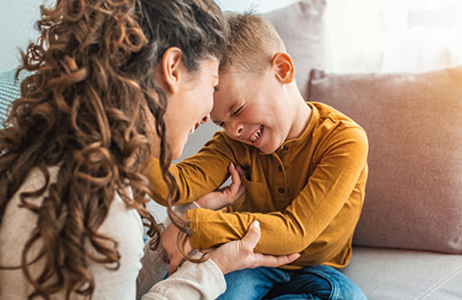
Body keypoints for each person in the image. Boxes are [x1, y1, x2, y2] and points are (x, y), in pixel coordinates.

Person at [0, 2, 300, 299]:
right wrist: (213, 270)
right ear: (172, 68)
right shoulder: (95, 203)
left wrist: (175, 231)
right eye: (213, 84)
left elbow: (110, 282)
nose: (209, 113)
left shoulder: (58, 156)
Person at [146, 12, 369, 300]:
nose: (234, 130)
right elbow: (173, 186)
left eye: (237, 110)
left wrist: (194, 226)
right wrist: (127, 135)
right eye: (221, 122)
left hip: (319, 268)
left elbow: (294, 232)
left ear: (282, 69)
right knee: (213, 288)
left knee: (345, 297)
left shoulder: (344, 140)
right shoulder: (233, 142)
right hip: (247, 258)